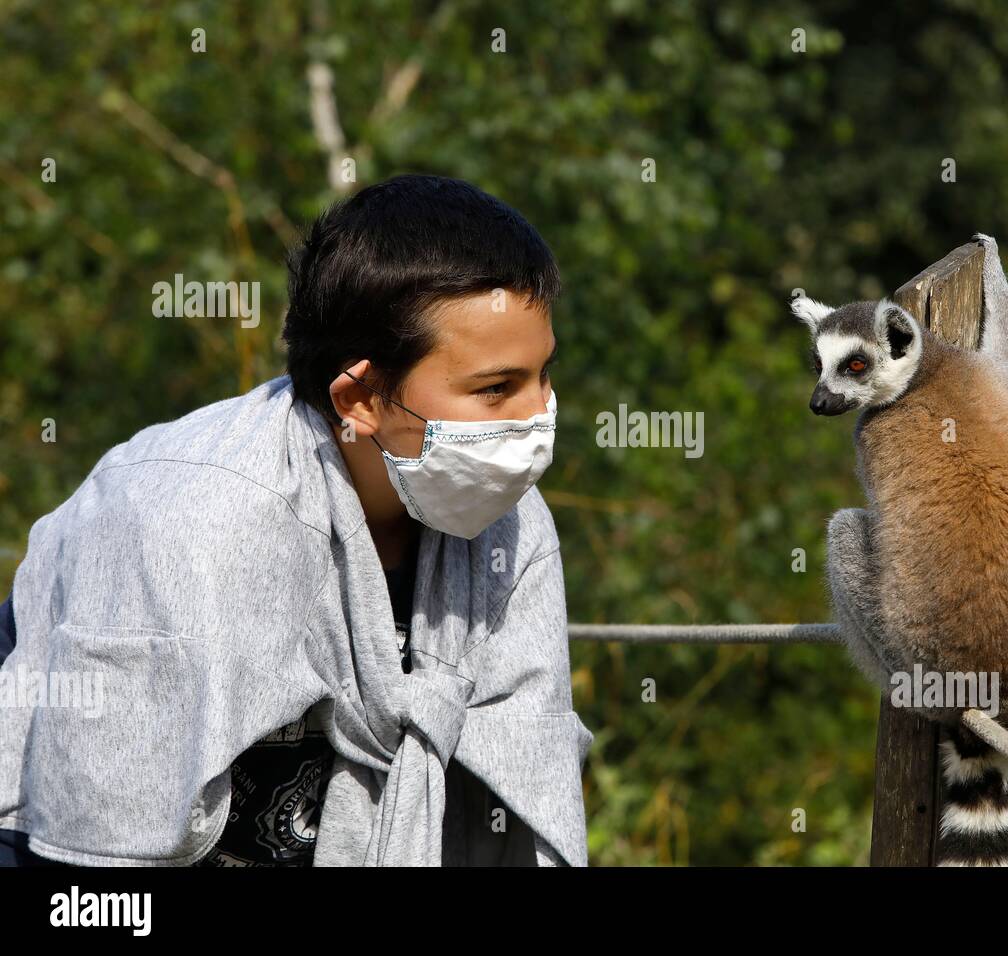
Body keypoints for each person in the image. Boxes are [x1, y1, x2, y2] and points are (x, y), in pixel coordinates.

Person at [0, 174, 591, 867]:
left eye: (542, 375)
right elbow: (99, 837)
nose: (537, 415)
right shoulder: (191, 523)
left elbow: (527, 787)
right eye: (496, 389)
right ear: (361, 397)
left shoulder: (509, 522)